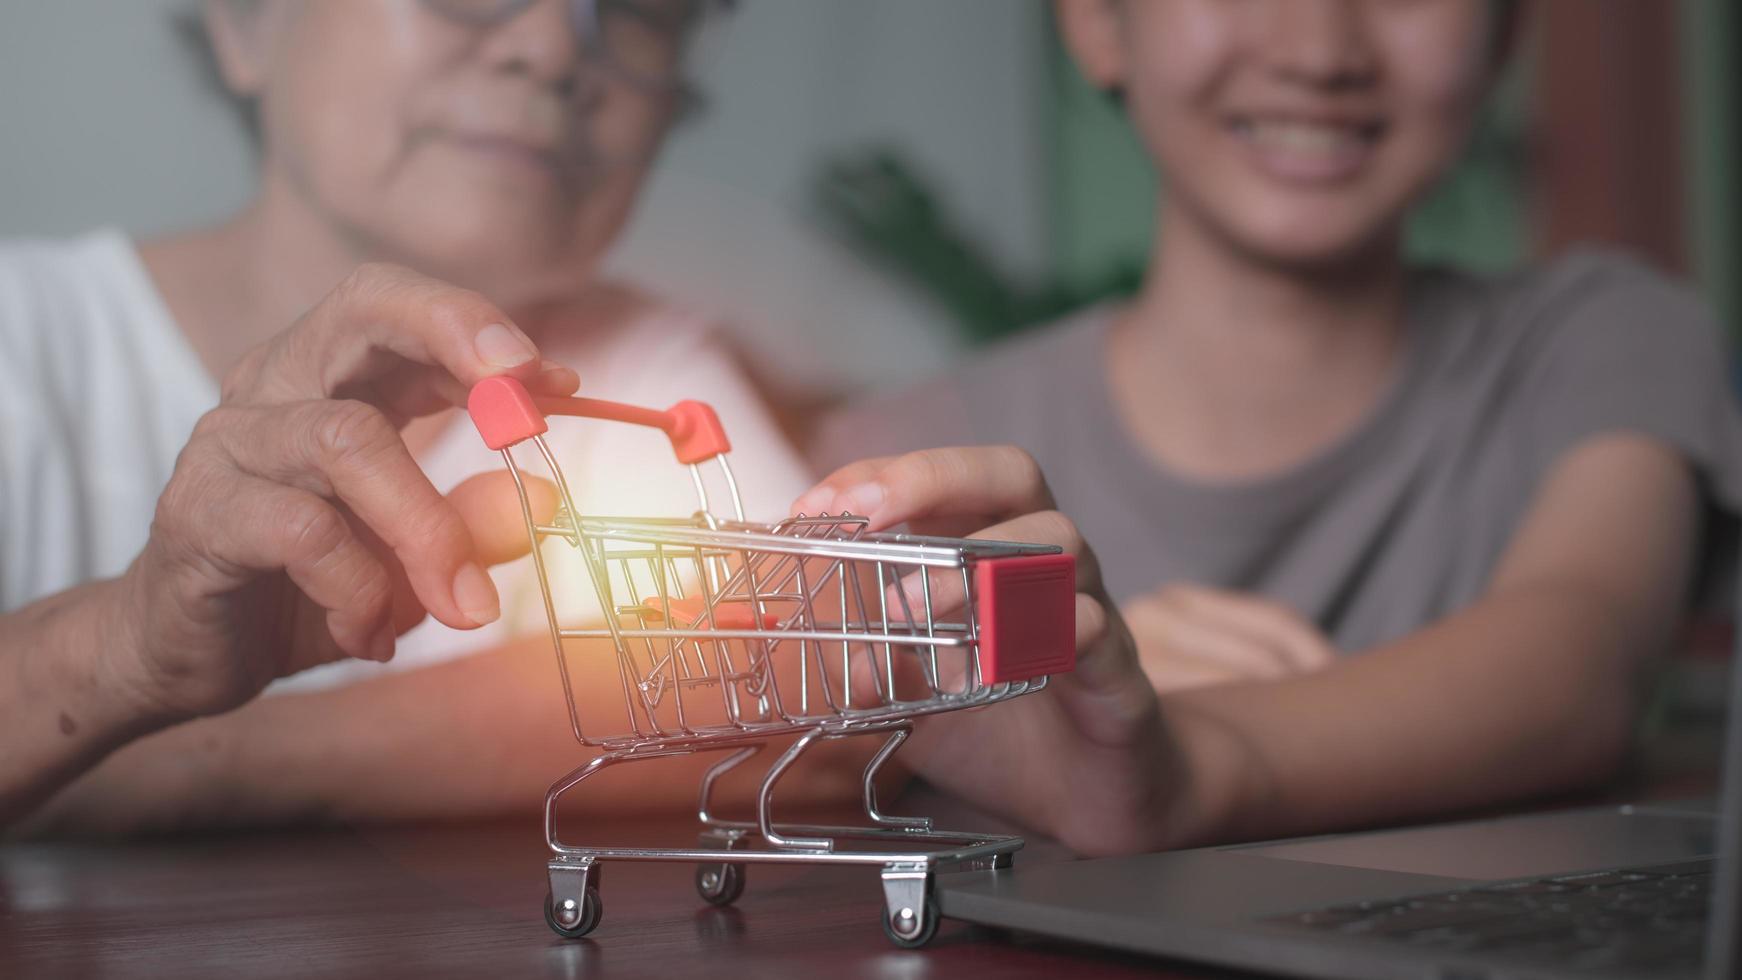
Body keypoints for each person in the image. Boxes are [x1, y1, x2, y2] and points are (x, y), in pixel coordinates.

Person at [2, 0, 1170, 858]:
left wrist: (162, 768)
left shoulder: (658, 384)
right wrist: (120, 655)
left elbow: (800, 706)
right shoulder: (24, 337)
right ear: (240, 27)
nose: (558, 46)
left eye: (644, 10)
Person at [804, 0, 1742, 849]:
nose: (1320, 49)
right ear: (1096, 22)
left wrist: (1186, 758)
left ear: (1502, 33)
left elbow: (1580, 667)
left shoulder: (1607, 339)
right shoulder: (903, 463)